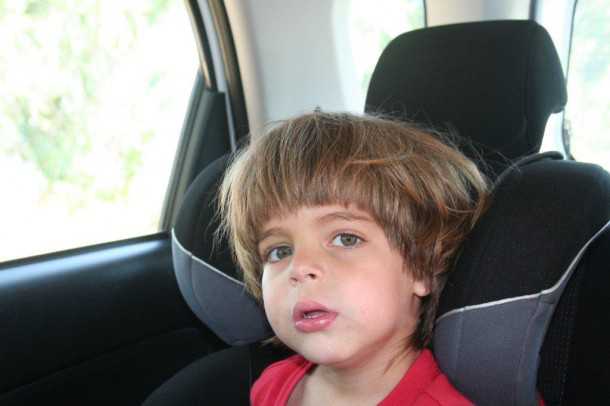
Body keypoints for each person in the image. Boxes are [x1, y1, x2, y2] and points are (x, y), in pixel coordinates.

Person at [218, 112, 488, 405]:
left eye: (346, 239)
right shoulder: (272, 385)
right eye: (279, 251)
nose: (300, 267)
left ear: (423, 268)